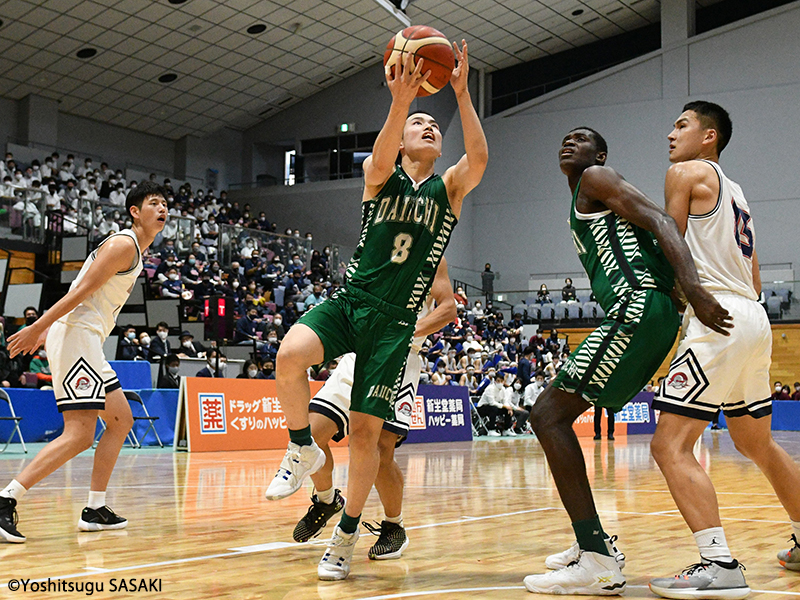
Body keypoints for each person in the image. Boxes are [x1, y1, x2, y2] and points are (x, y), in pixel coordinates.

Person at [265, 41, 487, 582]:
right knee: (289, 355)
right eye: (418, 123)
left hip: (395, 324)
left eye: (434, 126)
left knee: (369, 438)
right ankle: (301, 451)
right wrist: (400, 100)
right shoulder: (379, 173)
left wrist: (459, 93)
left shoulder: (448, 189)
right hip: (354, 300)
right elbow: (381, 156)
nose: (428, 127)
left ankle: (345, 535)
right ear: (402, 137)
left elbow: (478, 159)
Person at [523, 127, 730, 595]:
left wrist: (692, 288)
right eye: (565, 136)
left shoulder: (596, 177)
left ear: (600, 154)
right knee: (549, 417)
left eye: (580, 138)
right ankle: (595, 547)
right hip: (644, 311)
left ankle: (597, 556)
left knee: (548, 417)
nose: (568, 141)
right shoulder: (585, 193)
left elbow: (662, 221)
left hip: (637, 308)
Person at [648, 101, 800, 599]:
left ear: (708, 136)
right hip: (754, 318)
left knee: (668, 445)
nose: (671, 134)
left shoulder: (684, 172)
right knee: (758, 443)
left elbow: (671, 241)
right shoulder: (737, 192)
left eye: (682, 124)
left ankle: (719, 565)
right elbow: (754, 274)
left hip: (716, 318)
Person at [1, 181, 167, 543]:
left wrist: (50, 330)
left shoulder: (135, 250)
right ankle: (5, 499)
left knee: (121, 420)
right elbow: (79, 291)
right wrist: (40, 326)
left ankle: (95, 508)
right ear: (135, 212)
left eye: (165, 203)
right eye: (154, 202)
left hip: (84, 337)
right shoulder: (124, 244)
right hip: (78, 336)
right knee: (79, 433)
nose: (162, 208)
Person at [293, 260, 455, 561]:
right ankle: (326, 500)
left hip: (399, 357)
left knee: (381, 449)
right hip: (359, 353)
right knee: (311, 434)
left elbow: (448, 309)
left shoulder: (433, 252)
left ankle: (394, 526)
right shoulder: (376, 239)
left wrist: (403, 334)